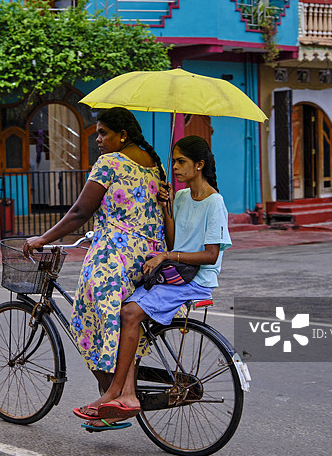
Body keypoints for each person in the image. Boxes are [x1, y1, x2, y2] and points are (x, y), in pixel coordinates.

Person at [22, 107, 167, 432]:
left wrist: (43, 238)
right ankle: (119, 396)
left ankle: (116, 396)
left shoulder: (110, 163)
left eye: (103, 133)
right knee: (124, 323)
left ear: (122, 135)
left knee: (87, 322)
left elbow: (79, 212)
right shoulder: (153, 165)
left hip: (114, 256)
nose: (98, 139)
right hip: (148, 257)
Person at [86, 135, 231, 424]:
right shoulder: (181, 197)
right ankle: (125, 390)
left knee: (130, 313)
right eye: (174, 161)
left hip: (195, 279)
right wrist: (167, 208)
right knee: (122, 305)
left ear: (199, 165)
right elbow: (174, 240)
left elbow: (210, 255)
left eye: (181, 162)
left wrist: (166, 256)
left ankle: (117, 391)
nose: (174, 167)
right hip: (174, 274)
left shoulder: (214, 202)